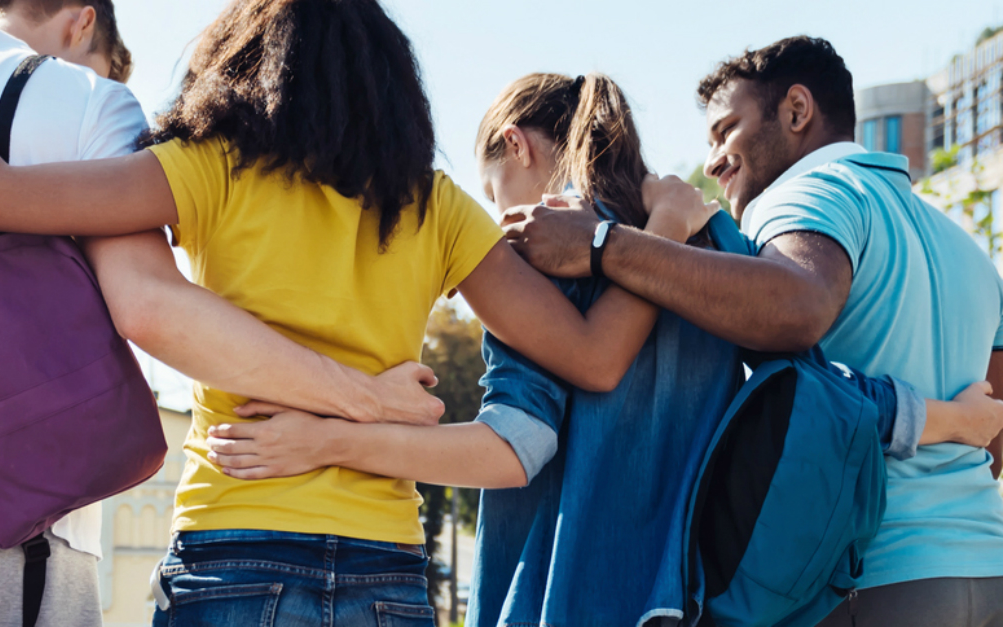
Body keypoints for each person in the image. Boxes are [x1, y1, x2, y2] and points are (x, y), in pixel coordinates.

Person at [198, 72, 1003, 627]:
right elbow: (811, 403)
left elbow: (518, 444)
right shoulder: (714, 242)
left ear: (517, 146)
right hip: (686, 600)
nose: (492, 216)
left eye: (489, 191)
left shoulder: (533, 249)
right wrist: (954, 419)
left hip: (561, 597)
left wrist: (333, 439)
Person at [0, 1, 444, 626]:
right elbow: (151, 306)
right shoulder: (89, 98)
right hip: (21, 516)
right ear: (84, 20)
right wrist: (361, 396)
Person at [501, 36, 1003, 627]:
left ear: (796, 111)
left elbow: (796, 308)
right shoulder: (962, 245)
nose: (712, 160)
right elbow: (992, 433)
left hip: (862, 581)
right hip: (985, 571)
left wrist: (602, 244)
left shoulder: (807, 196)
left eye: (725, 131)